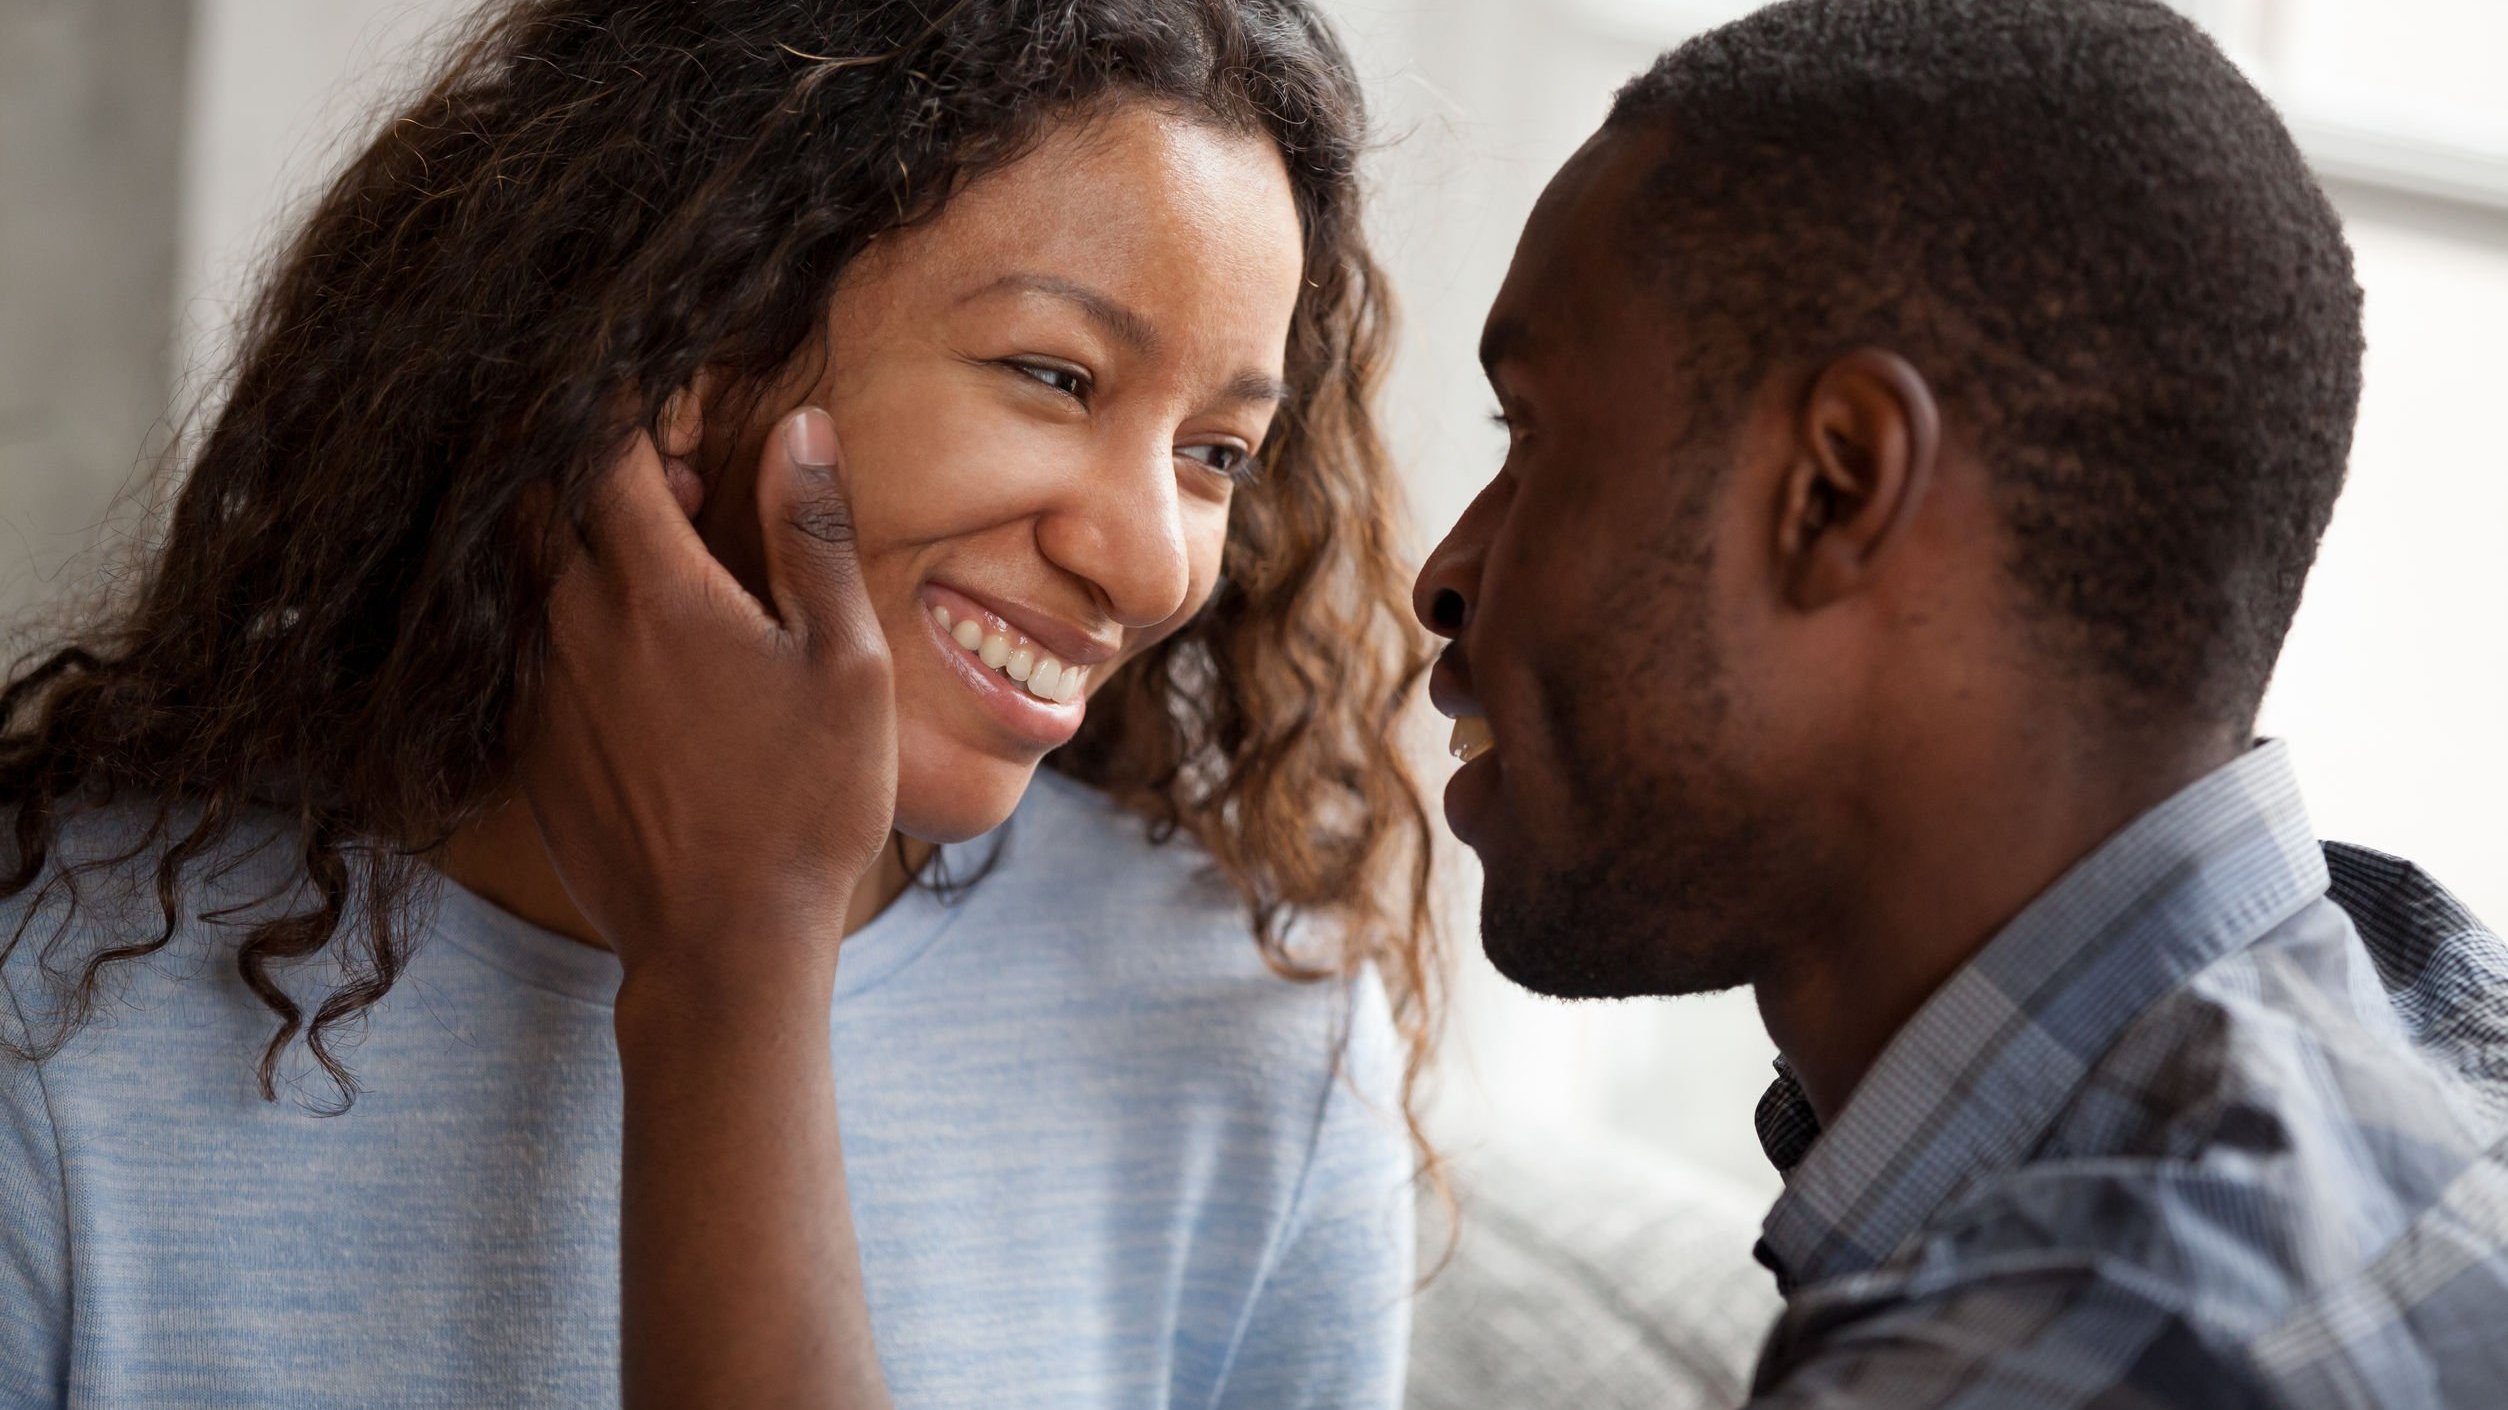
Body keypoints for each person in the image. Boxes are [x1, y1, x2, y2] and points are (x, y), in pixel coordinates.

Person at [500, 0, 2508, 1405]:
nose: (1442, 569)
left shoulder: (2080, 1352)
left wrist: (738, 964)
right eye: (1052, 376)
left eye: (1538, 438)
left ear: (1833, 492)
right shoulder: (2411, 1019)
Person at [0, 2, 1440, 1406]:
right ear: (688, 345)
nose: (1146, 560)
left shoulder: (1260, 1042)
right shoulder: (59, 1024)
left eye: (1218, 454)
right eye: (1054, 376)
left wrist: (734, 962)